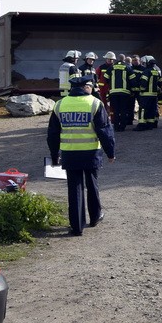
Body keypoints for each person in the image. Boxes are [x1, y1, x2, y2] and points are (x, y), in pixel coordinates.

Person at [47, 75, 116, 236]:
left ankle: (77, 226)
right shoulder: (94, 103)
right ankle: (95, 217)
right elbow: (105, 131)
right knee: (92, 185)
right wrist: (110, 152)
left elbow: (53, 134)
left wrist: (54, 154)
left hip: (70, 153)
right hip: (91, 152)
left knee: (74, 188)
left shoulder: (59, 105)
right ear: (86, 87)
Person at [105, 56, 133, 131]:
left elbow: (105, 77)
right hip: (124, 93)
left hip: (113, 93)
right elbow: (132, 79)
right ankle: (123, 126)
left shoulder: (111, 67)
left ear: (117, 60)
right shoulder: (127, 67)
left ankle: (116, 126)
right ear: (124, 60)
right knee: (123, 109)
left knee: (115, 110)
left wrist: (111, 84)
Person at [135, 55, 162, 130]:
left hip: (145, 94)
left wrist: (141, 89)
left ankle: (142, 125)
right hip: (154, 95)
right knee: (151, 109)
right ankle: (150, 124)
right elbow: (160, 82)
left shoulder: (146, 71)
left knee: (143, 109)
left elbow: (144, 82)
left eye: (145, 63)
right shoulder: (156, 71)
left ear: (148, 63)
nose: (143, 64)